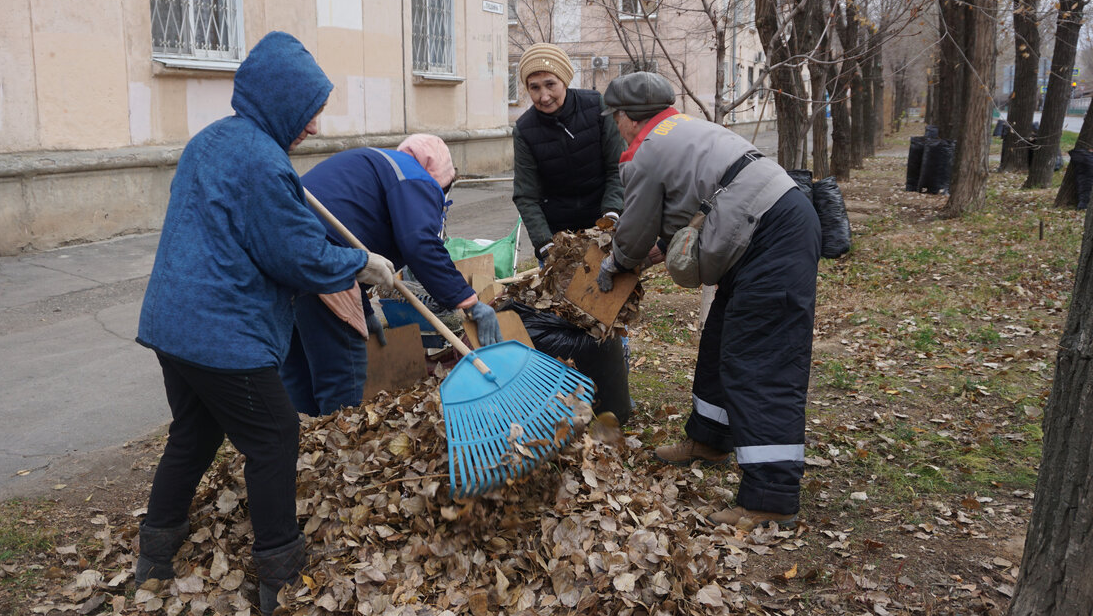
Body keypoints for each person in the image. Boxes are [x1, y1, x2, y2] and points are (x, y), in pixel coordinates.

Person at [133, 32, 397, 616]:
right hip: (222, 335)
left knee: (194, 435)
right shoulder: (260, 162)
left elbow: (256, 232)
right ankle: (280, 575)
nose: (316, 129)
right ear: (281, 104)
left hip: (172, 327)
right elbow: (297, 258)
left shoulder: (214, 142)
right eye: (309, 115)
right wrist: (363, 263)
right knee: (274, 436)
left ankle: (153, 557)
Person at [595, 71, 820, 529]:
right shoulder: (683, 128)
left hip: (771, 236)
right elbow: (690, 203)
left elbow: (635, 233)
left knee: (760, 360)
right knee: (721, 339)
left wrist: (615, 263)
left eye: (614, 118)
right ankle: (711, 437)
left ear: (625, 118)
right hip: (766, 228)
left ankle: (770, 498)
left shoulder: (645, 152)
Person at [280, 134, 503, 416]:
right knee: (341, 374)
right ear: (442, 180)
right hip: (324, 265)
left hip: (283, 259)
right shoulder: (416, 178)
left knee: (298, 372)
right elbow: (420, 244)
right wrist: (469, 302)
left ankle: (298, 450)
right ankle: (334, 449)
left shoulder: (380, 164)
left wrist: (364, 311)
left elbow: (353, 238)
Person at [511, 43, 625, 263]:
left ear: (565, 81)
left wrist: (610, 217)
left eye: (550, 84)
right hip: (559, 235)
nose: (544, 96)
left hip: (605, 225)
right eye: (534, 88)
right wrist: (546, 243)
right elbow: (526, 195)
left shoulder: (596, 107)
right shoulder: (525, 131)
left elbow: (617, 167)